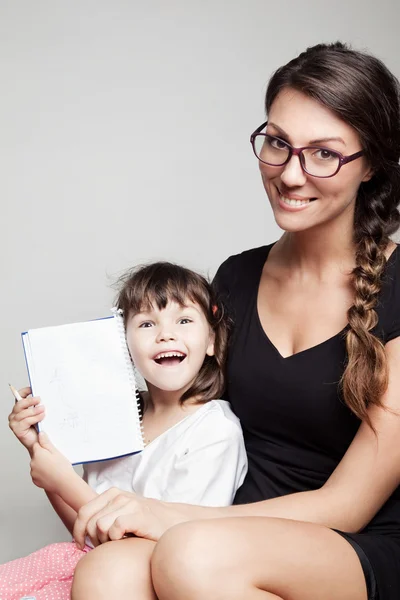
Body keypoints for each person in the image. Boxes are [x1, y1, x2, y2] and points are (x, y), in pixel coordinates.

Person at [70, 42, 400, 600]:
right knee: (106, 570)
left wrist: (169, 519)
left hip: (353, 543)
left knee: (192, 555)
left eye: (324, 154)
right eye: (277, 143)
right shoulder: (236, 278)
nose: (291, 174)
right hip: (226, 526)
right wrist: (58, 443)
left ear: (370, 165)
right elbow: (178, 413)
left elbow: (348, 505)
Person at [2, 262, 247, 600]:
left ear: (211, 341)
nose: (166, 334)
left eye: (184, 320)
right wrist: (38, 447)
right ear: (124, 346)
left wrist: (64, 480)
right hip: (88, 567)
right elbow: (84, 532)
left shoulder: (215, 430)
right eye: (147, 323)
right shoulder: (116, 417)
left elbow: (171, 549)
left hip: (142, 584)